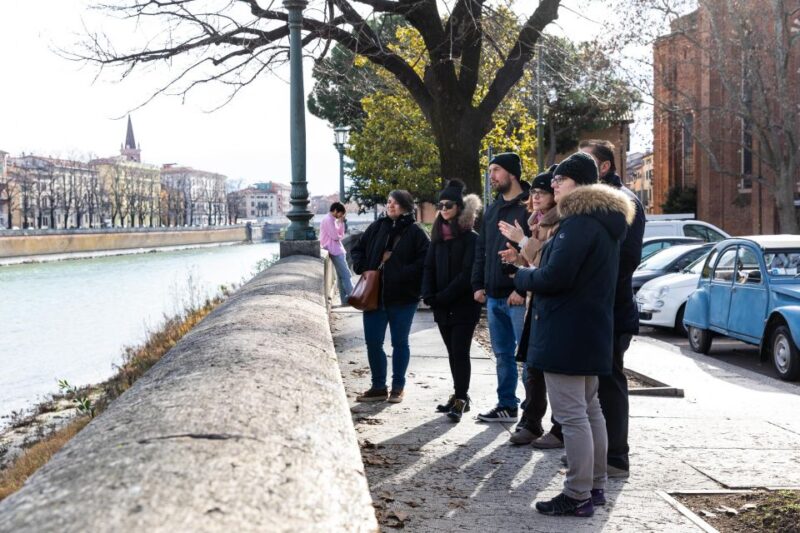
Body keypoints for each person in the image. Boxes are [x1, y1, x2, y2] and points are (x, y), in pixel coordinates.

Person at [514, 151, 635, 517]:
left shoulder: (579, 223)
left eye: (560, 180)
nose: (552, 184)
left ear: (579, 184)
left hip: (566, 331)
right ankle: (594, 486)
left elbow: (555, 277)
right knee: (589, 410)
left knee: (573, 416)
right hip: (589, 328)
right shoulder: (601, 221)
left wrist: (520, 276)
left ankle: (578, 493)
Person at [576, 139, 646, 477]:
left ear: (604, 167)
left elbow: (627, 259)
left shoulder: (622, 203)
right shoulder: (595, 204)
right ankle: (596, 455)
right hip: (597, 307)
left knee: (610, 379)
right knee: (593, 383)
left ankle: (616, 457)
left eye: (586, 161)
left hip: (613, 308)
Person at [497, 167, 563, 447]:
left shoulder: (559, 222)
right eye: (533, 192)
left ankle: (558, 429)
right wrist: (518, 258)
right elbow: (533, 263)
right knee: (532, 366)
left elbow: (548, 264)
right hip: (535, 303)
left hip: (552, 306)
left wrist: (522, 241)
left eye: (542, 192)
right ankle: (531, 421)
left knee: (553, 370)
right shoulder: (538, 221)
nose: (535, 198)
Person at [351, 190, 430, 404]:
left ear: (405, 206)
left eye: (395, 203)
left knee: (399, 343)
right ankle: (378, 387)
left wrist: (398, 270)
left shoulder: (416, 232)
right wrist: (365, 267)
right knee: (373, 342)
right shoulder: (378, 226)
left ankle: (397, 387)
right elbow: (357, 249)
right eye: (388, 202)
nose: (390, 206)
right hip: (374, 296)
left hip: (404, 297)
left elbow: (425, 262)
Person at [471, 152, 531, 422]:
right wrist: (478, 284)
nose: (491, 176)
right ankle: (507, 405)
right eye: (490, 171)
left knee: (529, 358)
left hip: (519, 297)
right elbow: (481, 249)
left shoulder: (530, 207)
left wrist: (522, 288)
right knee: (503, 355)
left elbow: (537, 254)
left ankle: (534, 412)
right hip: (493, 296)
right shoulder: (492, 209)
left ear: (512, 174)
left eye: (496, 170)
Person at [421, 180, 482, 422]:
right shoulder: (437, 236)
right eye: (440, 205)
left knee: (460, 351)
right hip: (441, 306)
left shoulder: (471, 238)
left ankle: (462, 397)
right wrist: (428, 294)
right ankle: (458, 394)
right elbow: (428, 267)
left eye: (449, 205)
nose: (444, 208)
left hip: (463, 305)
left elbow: (467, 274)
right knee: (451, 352)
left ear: (459, 207)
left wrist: (441, 297)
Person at [320, 202, 353, 305]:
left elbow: (340, 234)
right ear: (335, 210)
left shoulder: (332, 220)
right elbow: (336, 237)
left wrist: (341, 223)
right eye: (340, 213)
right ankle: (354, 298)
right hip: (334, 250)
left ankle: (345, 300)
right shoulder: (328, 220)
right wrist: (338, 235)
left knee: (341, 276)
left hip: (336, 249)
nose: (341, 216)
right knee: (346, 274)